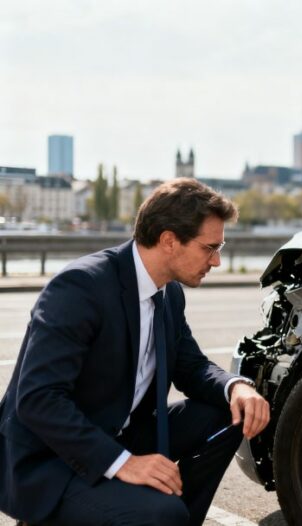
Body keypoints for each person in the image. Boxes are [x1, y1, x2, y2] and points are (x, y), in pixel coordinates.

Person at [0, 178, 270, 525]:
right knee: (162, 514)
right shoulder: (82, 287)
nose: (216, 261)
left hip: (120, 432)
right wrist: (123, 463)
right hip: (53, 459)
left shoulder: (169, 293)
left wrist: (236, 387)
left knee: (232, 413)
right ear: (169, 240)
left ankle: (171, 519)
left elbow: (191, 366)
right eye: (209, 248)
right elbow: (38, 399)